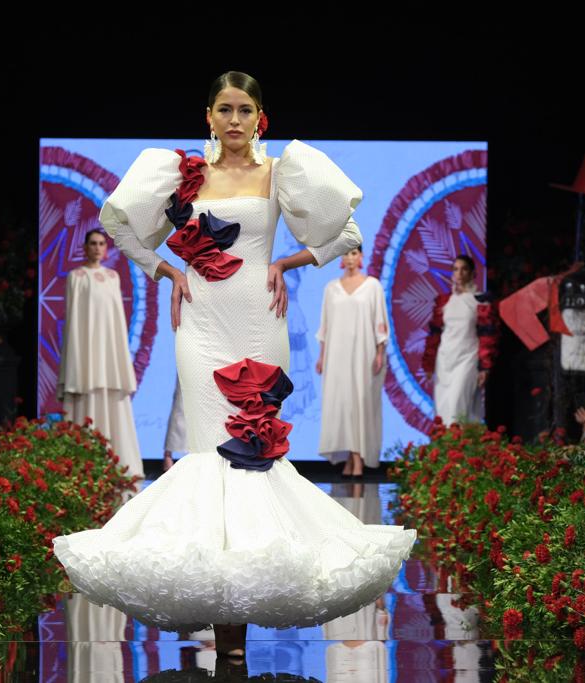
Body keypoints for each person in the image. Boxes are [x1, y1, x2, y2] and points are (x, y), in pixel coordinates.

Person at [53, 71, 415, 658]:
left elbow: (344, 231)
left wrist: (286, 264)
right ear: (209, 116)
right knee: (207, 453)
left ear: (260, 117)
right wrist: (167, 271)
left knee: (253, 458)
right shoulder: (182, 174)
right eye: (225, 109)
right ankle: (222, 622)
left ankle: (238, 626)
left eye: (245, 109)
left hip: (258, 319)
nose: (235, 120)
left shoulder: (281, 172)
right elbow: (119, 223)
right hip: (199, 323)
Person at [55, 228, 144, 481]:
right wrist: (76, 364)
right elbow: (74, 323)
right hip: (86, 353)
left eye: (101, 243)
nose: (97, 247)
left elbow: (116, 321)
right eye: (92, 243)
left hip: (109, 354)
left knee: (111, 400)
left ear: (107, 248)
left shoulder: (113, 277)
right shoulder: (76, 277)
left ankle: (116, 466)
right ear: (85, 247)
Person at [315, 245, 388, 477]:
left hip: (363, 353)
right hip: (337, 355)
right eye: (345, 253)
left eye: (354, 253)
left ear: (361, 256)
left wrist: (379, 352)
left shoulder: (372, 286)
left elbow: (380, 321)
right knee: (342, 404)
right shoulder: (331, 289)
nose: (349, 258)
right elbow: (325, 326)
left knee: (360, 402)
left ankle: (358, 458)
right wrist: (322, 356)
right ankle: (349, 456)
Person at [421, 255, 499, 425]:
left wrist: (485, 366)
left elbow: (487, 335)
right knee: (444, 410)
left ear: (472, 273)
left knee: (459, 406)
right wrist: (428, 363)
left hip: (467, 358)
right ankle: (447, 450)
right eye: (456, 269)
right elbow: (435, 334)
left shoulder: (480, 301)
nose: (460, 273)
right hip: (445, 360)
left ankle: (460, 447)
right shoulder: (444, 302)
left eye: (464, 269)